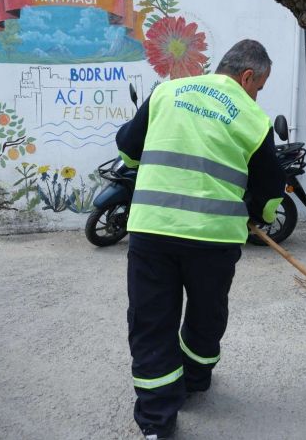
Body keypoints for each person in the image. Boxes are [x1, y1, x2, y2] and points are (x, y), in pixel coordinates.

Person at [116, 39, 285, 439]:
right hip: (213, 241)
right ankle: (194, 379)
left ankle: (157, 422)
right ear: (247, 76)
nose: (257, 94)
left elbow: (127, 148)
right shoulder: (253, 117)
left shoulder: (167, 91)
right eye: (258, 87)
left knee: (151, 321)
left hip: (153, 230)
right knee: (206, 315)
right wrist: (258, 214)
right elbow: (272, 190)